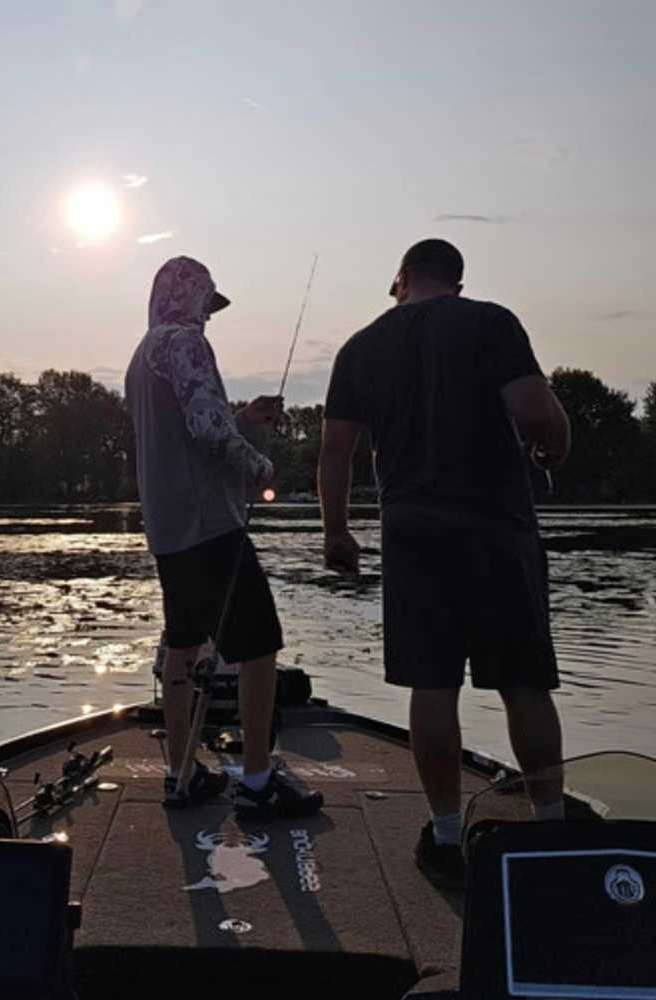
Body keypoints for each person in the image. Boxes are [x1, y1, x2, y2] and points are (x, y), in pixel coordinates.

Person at [318, 239, 570, 889]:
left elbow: (336, 453)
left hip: (411, 534)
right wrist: (552, 446)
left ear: (401, 279)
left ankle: (447, 835)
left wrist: (337, 531)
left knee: (432, 687)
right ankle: (550, 827)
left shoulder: (359, 347)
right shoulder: (489, 322)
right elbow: (535, 411)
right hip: (496, 527)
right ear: (456, 281)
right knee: (523, 684)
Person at [125, 255, 322, 819]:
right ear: (187, 297)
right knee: (259, 645)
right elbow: (207, 431)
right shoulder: (186, 343)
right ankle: (259, 781)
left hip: (167, 528)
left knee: (182, 645)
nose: (208, 317)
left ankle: (181, 773)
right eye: (206, 304)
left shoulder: (142, 356)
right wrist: (259, 465)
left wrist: (244, 416)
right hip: (210, 523)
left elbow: (184, 428)